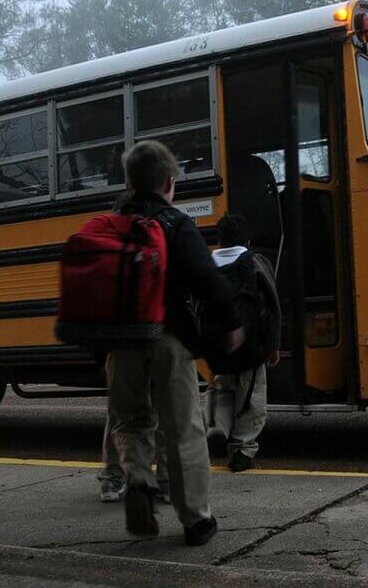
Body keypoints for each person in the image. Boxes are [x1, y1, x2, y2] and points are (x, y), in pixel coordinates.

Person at [104, 140, 243, 546]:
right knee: (183, 427)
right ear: (169, 183)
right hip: (169, 338)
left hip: (120, 343)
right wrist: (232, 322)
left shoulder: (111, 226)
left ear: (129, 182)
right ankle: (196, 519)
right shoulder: (175, 223)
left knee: (130, 422)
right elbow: (208, 279)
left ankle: (139, 482)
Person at [205, 213, 282, 473]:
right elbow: (271, 305)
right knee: (251, 397)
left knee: (223, 389)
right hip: (252, 347)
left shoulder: (207, 266)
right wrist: (273, 344)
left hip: (219, 348)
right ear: (247, 240)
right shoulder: (255, 262)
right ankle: (243, 449)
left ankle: (218, 427)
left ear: (219, 240)